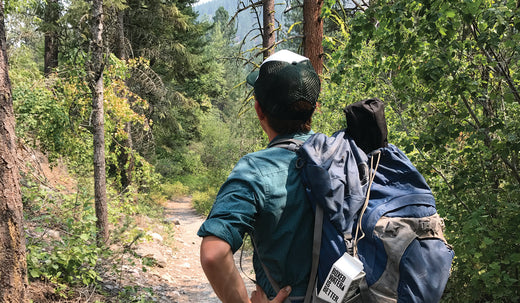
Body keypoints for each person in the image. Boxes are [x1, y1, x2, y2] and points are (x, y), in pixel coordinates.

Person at [197, 49, 321, 303]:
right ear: (314, 109)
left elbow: (214, 254)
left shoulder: (254, 170)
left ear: (258, 110)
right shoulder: (344, 156)